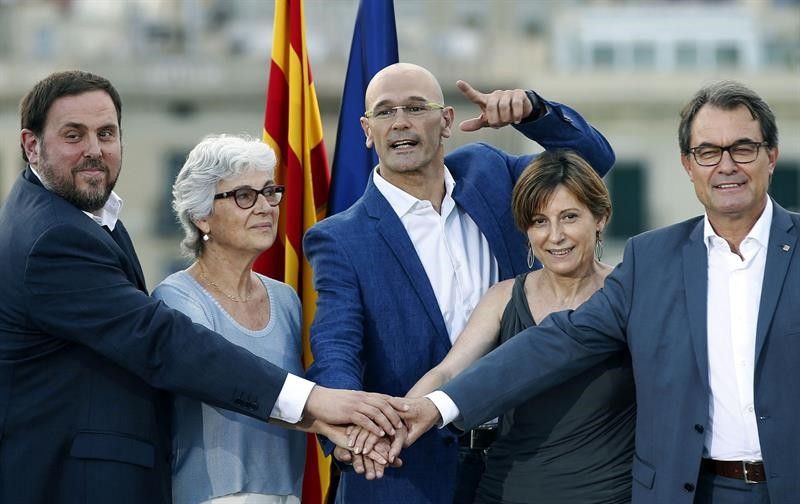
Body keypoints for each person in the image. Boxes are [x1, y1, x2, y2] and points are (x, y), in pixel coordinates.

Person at [0, 70, 405, 504]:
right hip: (73, 481)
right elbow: (162, 342)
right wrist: (315, 404)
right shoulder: (53, 237)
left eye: (106, 133)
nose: (95, 150)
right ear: (31, 145)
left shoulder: (83, 219)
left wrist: (329, 420)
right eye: (73, 135)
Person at [403, 80, 797, 504]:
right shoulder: (653, 260)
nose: (726, 165)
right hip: (691, 491)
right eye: (708, 152)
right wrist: (436, 405)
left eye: (743, 148)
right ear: (687, 164)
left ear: (771, 156)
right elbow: (554, 343)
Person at [303, 62, 615, 503]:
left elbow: (589, 166)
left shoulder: (489, 172)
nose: (400, 122)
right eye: (385, 112)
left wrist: (534, 113)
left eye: (416, 107)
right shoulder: (340, 237)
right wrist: (352, 431)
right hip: (407, 470)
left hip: (521, 462)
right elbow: (336, 347)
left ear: (447, 121)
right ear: (367, 130)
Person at [405, 150, 635, 504]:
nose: (555, 236)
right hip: (503, 493)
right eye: (539, 221)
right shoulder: (502, 298)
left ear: (600, 217)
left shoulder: (631, 293)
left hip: (608, 495)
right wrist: (395, 424)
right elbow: (449, 373)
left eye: (569, 217)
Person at [151, 134, 306, 503]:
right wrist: (328, 415)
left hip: (289, 495)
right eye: (244, 196)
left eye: (270, 192)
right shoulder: (176, 299)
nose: (265, 207)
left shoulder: (286, 299)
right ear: (202, 216)